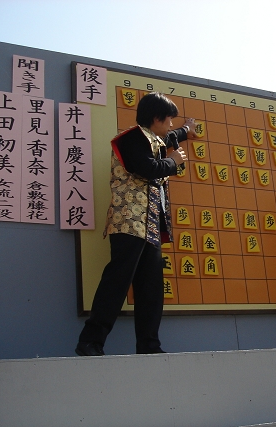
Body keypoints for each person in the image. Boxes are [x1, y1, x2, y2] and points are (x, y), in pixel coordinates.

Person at [76, 92, 194, 356]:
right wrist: (173, 162)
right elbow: (146, 167)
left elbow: (169, 138)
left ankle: (149, 346)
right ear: (156, 118)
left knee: (151, 290)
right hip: (128, 222)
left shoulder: (154, 138)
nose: (171, 127)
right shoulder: (131, 137)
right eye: (169, 120)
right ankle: (90, 341)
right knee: (116, 282)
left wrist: (187, 130)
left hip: (150, 226)